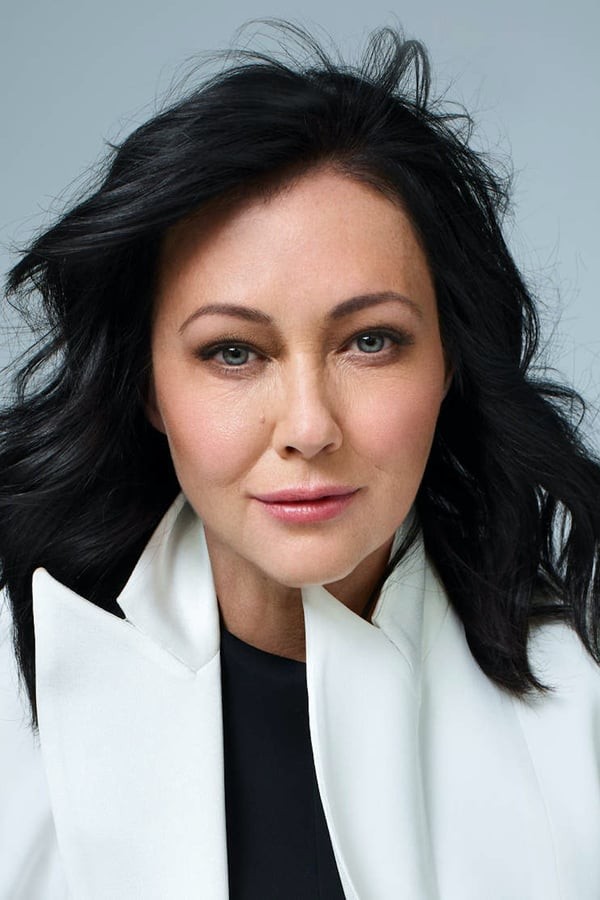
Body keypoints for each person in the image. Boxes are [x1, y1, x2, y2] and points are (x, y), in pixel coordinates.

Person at [1, 20, 599, 900]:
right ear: (146, 386)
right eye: (233, 352)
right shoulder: (15, 705)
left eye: (370, 341)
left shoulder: (582, 713)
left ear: (450, 364)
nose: (310, 428)